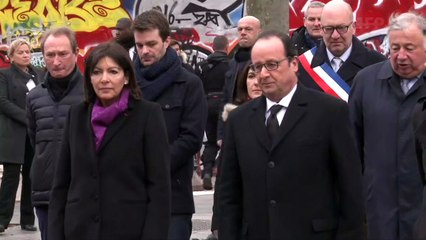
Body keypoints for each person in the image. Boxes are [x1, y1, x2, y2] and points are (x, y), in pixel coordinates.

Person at [219, 30, 365, 240]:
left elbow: (350, 189)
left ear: (294, 64)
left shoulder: (330, 112)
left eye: (272, 64)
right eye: (257, 67)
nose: (263, 74)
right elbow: (228, 194)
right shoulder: (239, 120)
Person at [48, 41, 171, 240]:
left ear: (126, 77)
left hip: (129, 230)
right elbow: (61, 184)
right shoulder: (77, 115)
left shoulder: (147, 115)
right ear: (89, 78)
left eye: (113, 72)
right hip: (79, 230)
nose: (104, 79)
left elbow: (159, 187)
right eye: (97, 72)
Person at [349, 12, 426, 240]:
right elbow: (352, 145)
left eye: (409, 48)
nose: (401, 56)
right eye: (395, 48)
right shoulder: (365, 82)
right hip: (378, 209)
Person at [132, 10, 207, 240]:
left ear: (166, 41)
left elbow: (191, 138)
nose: (145, 51)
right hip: (130, 197)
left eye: (151, 44)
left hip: (173, 198)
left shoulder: (189, 83)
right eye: (139, 45)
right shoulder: (126, 82)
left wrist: (153, 166)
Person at [26, 27, 84, 240]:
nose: (56, 61)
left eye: (63, 54)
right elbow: (35, 138)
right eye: (50, 55)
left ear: (76, 53)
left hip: (82, 193)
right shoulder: (34, 97)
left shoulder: (91, 92)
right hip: (46, 191)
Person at [207, 62, 262, 240]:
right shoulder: (235, 122)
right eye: (251, 77)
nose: (256, 82)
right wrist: (218, 223)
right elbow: (224, 181)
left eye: (258, 75)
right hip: (243, 215)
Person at [297, 0, 385, 102]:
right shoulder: (302, 67)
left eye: (342, 28)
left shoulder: (377, 65)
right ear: (321, 29)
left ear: (354, 27)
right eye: (329, 28)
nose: (335, 36)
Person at [0, 38, 43, 233]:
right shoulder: (4, 75)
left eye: (27, 51)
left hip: (34, 134)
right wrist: (27, 118)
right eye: (21, 52)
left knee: (31, 177)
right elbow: (2, 102)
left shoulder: (39, 75)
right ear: (11, 57)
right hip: (14, 133)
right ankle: (2, 219)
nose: (26, 55)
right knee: (11, 177)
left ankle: (27, 219)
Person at [217, 15, 261, 149]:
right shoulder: (233, 62)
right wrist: (221, 134)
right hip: (234, 125)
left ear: (259, 32)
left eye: (248, 29)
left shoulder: (263, 61)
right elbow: (225, 99)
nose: (243, 32)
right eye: (240, 29)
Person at [198, 35, 229, 190]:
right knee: (226, 139)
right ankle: (224, 173)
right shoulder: (230, 65)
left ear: (213, 47)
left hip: (207, 103)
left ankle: (208, 172)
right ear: (227, 47)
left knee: (210, 141)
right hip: (225, 106)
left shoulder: (203, 66)